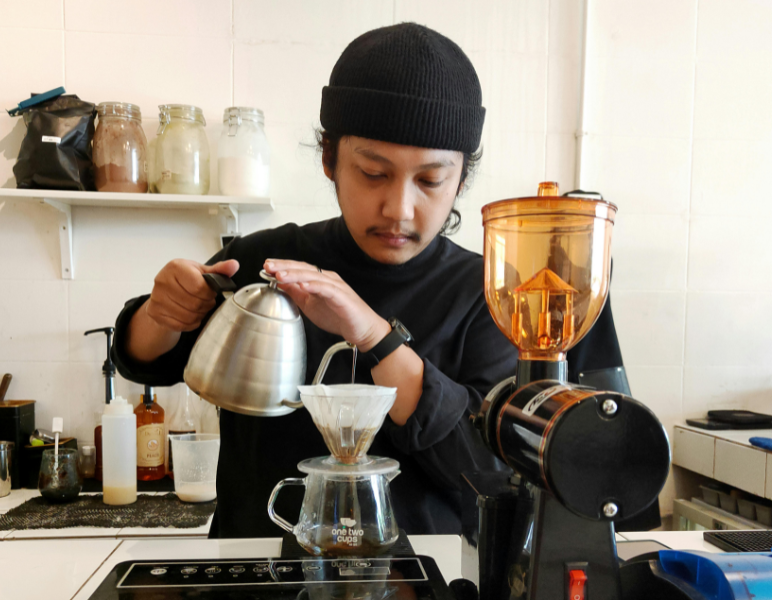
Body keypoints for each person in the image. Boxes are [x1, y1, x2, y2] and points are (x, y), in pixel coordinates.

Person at [112, 22, 632, 538]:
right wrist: (160, 313)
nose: (399, 209)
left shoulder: (490, 294)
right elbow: (142, 359)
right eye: (373, 173)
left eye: (430, 180)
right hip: (260, 570)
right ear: (329, 159)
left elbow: (486, 468)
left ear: (462, 179)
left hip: (426, 576)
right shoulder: (265, 261)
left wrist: (374, 337)